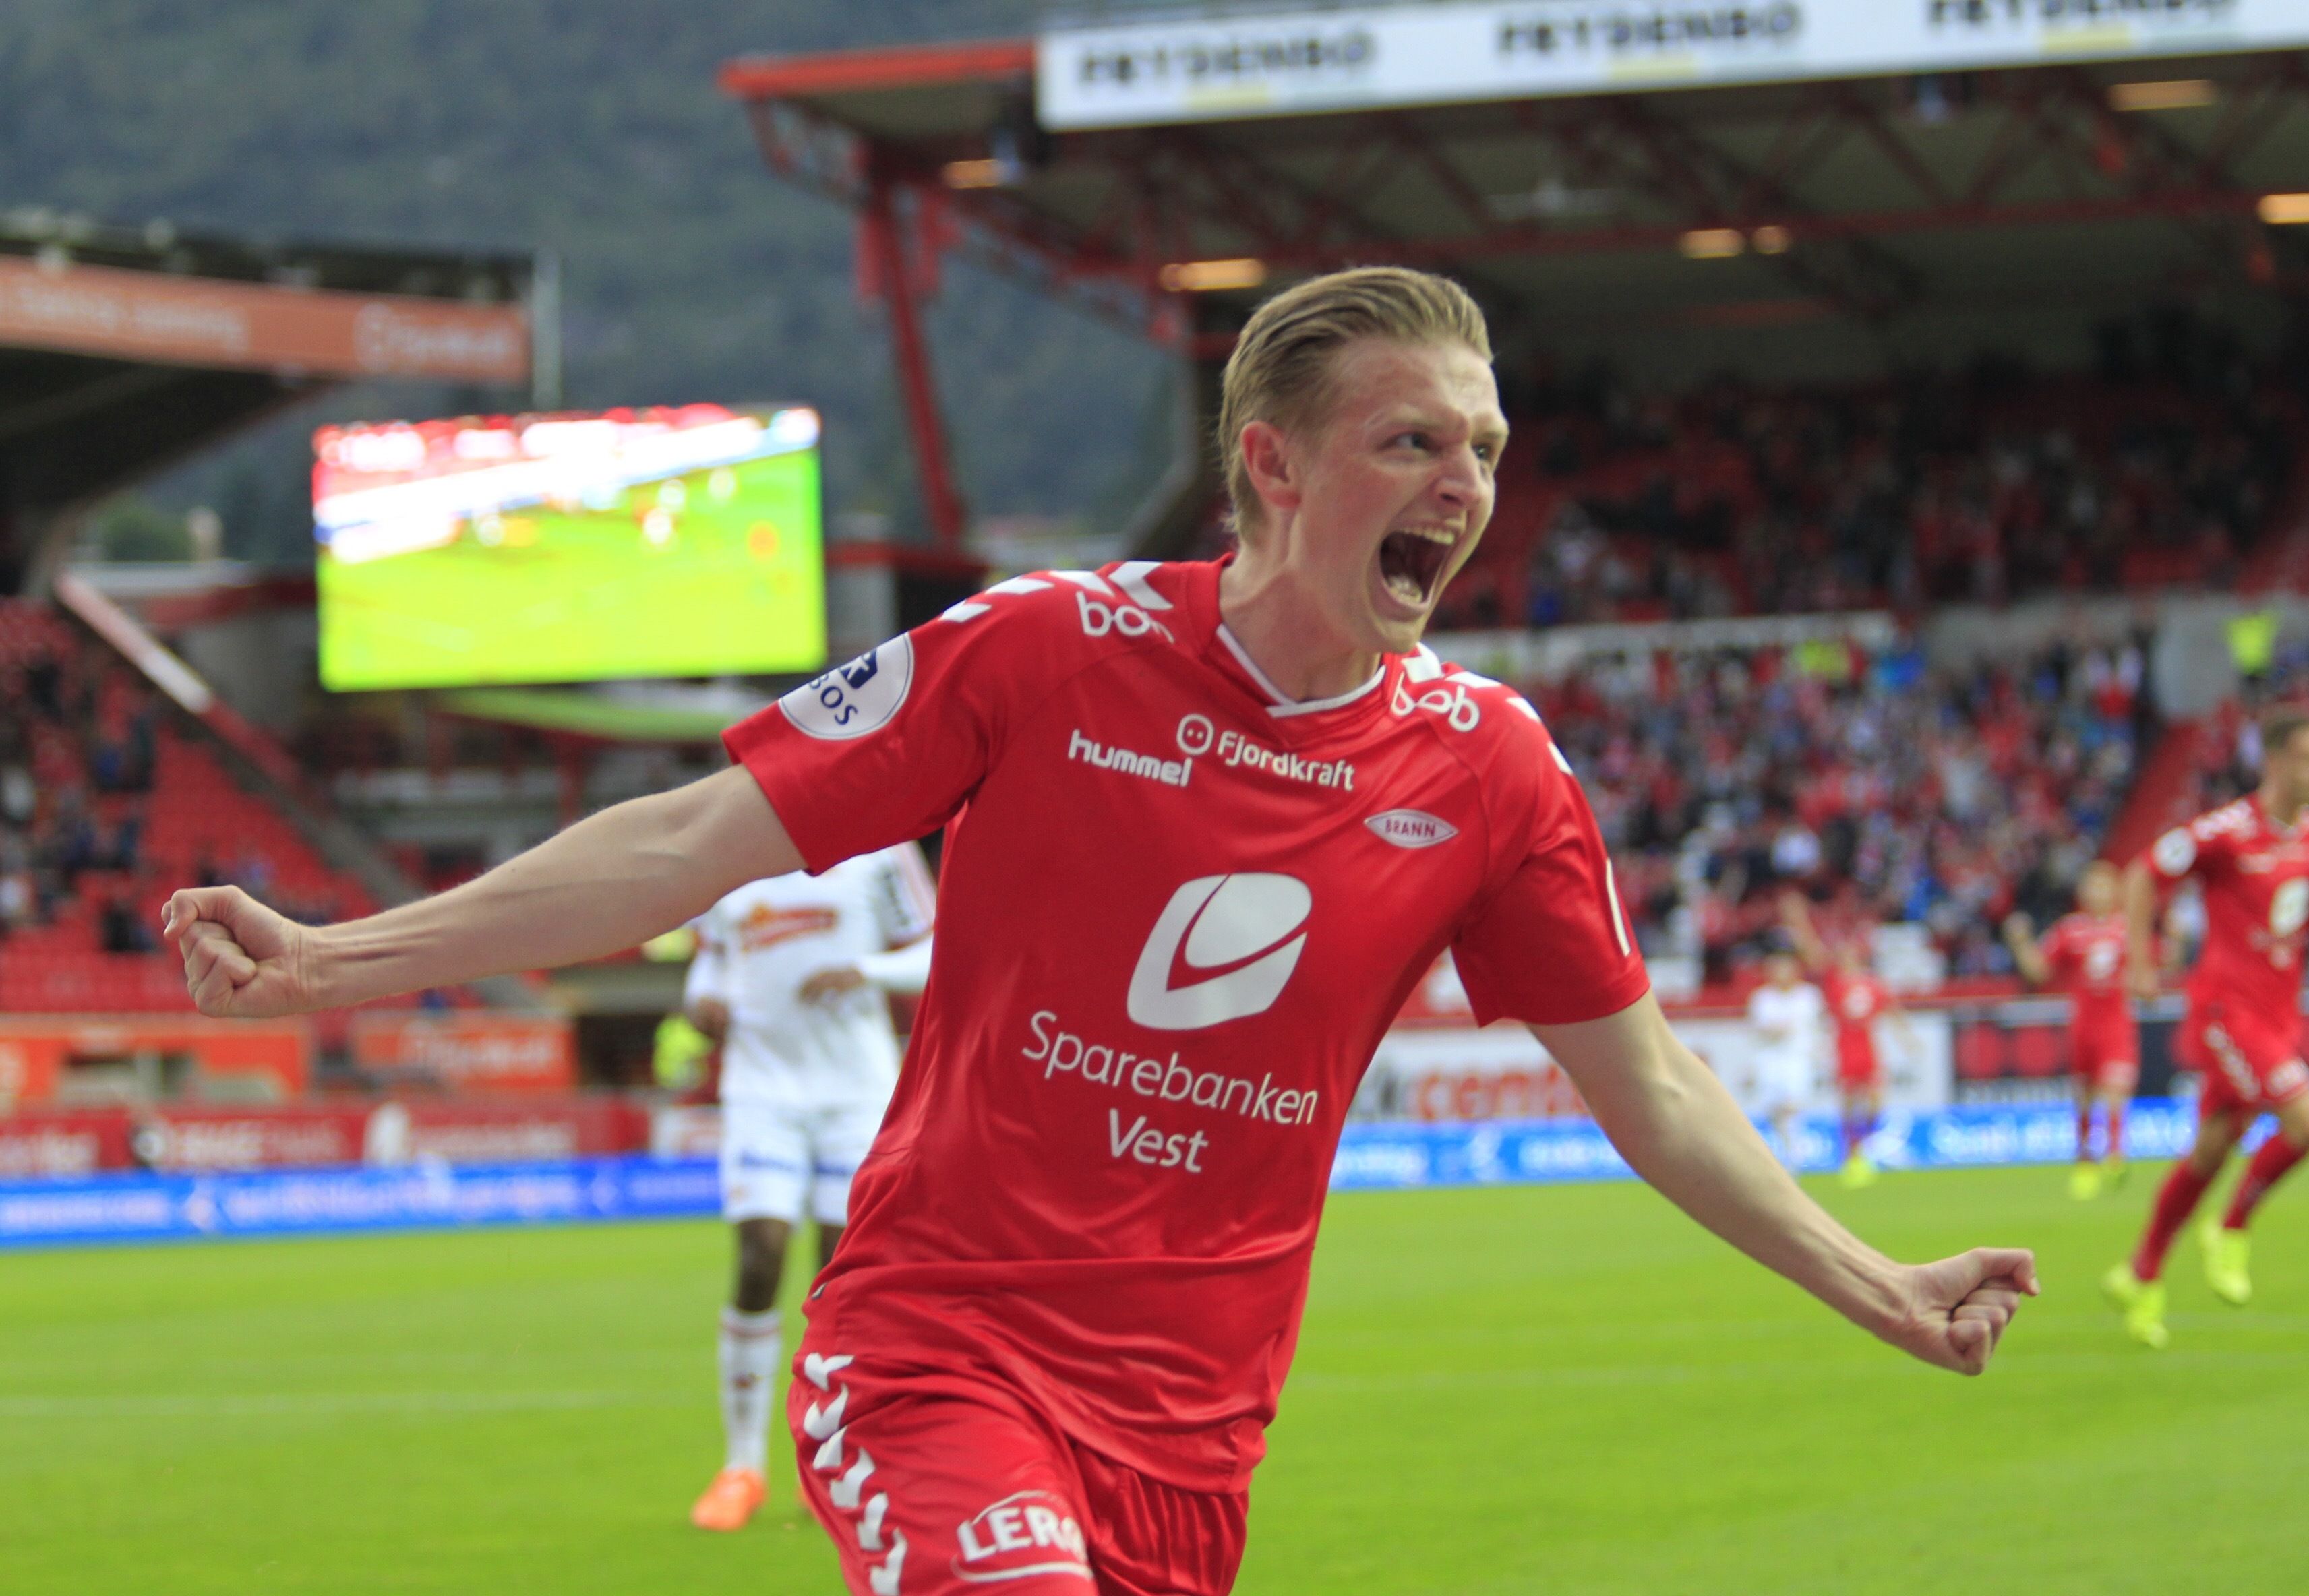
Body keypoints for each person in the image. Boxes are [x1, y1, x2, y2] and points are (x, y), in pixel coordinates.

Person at [164, 267, 2035, 1596]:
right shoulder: (1042, 651)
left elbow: (1654, 1088)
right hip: (936, 1356)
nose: (1464, 485)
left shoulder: (1490, 772)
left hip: (1194, 1442)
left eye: (1480, 445)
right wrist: (333, 958)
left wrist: (1876, 1283)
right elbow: (688, 841)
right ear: (1273, 467)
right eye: (1410, 440)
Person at [682, 850, 936, 1533]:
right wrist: (701, 1000)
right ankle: (741, 1467)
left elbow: (937, 951)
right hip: (760, 1088)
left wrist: (865, 970)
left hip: (855, 1092)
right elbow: (711, 959)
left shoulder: (882, 851)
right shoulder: (734, 848)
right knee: (759, 1254)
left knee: (840, 1279)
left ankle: (830, 1458)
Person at [2104, 707, 2309, 1349]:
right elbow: (2142, 873)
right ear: (2274, 761)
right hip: (2227, 1011)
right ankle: (2232, 1227)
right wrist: (2141, 963)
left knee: (2211, 1150)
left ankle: (2141, 1274)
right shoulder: (2226, 831)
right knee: (2307, 1123)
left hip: (2278, 1014)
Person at [2004, 861, 2138, 1200]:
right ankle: (2085, 1162)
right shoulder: (2070, 931)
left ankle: (2115, 1157)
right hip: (2083, 1027)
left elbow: (2160, 964)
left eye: (2104, 886)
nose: (2098, 893)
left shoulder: (2127, 930)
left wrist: (2178, 941)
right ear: (2083, 892)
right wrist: (2020, 942)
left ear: (2116, 891)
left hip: (2116, 1026)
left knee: (2116, 1090)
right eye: (2092, 885)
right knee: (2085, 1098)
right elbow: (2038, 971)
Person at [1780, 892, 1913, 1188]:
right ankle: (1852, 1156)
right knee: (1849, 1104)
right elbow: (1810, 951)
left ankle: (1861, 1148)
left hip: (1869, 1049)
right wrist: (1798, 920)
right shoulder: (1834, 981)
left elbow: (1892, 1010)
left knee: (1875, 1104)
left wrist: (1907, 1039)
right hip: (1844, 1049)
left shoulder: (1872, 983)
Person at [1744, 951, 1824, 1170]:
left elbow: (1816, 1028)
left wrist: (1819, 1057)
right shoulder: (1762, 998)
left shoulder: (1808, 995)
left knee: (1792, 1105)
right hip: (1770, 1060)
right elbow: (1761, 1029)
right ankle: (1785, 1150)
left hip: (1798, 1059)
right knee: (1773, 1109)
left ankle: (1794, 1157)